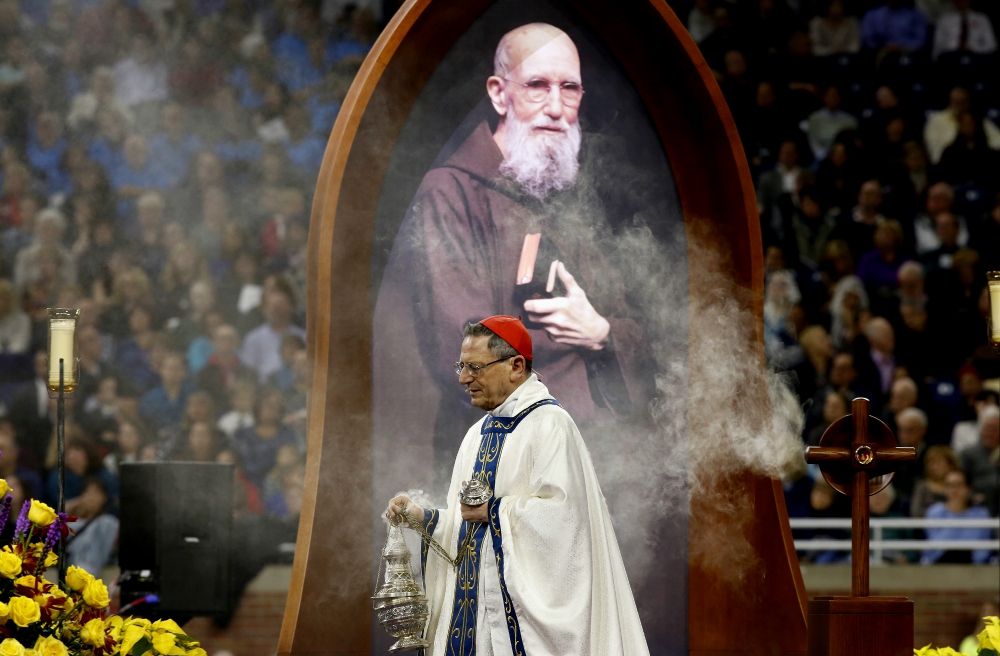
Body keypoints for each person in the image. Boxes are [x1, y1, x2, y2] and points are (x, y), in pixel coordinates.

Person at [374, 23, 658, 483]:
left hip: (598, 460)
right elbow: (464, 348)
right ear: (499, 94)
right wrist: (572, 339)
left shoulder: (567, 202)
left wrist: (601, 331)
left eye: (569, 89)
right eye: (537, 86)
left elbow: (631, 326)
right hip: (502, 465)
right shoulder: (450, 193)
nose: (555, 108)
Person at [385, 315, 648, 654]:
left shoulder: (551, 425)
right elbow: (466, 533)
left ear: (516, 366)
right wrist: (423, 518)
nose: (464, 379)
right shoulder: (475, 434)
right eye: (461, 367)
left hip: (515, 629)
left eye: (475, 368)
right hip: (476, 627)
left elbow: (566, 525)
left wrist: (494, 511)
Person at [921, 470, 993, 564]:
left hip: (972, 567)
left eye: (958, 485)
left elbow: (983, 550)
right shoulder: (934, 512)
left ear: (968, 488)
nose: (954, 490)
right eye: (949, 485)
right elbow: (935, 548)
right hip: (940, 565)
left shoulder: (981, 514)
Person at [960, 406, 999, 516]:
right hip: (976, 507)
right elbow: (961, 482)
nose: (990, 434)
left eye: (995, 429)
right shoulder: (968, 454)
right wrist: (971, 495)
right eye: (987, 428)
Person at [931, 0, 997, 62]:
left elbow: (991, 45)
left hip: (976, 55)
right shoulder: (944, 19)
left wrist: (974, 48)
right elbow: (937, 45)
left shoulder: (981, 19)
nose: (961, 2)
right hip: (950, 56)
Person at [910, 444, 960, 519]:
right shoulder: (922, 487)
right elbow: (916, 513)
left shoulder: (958, 485)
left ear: (951, 465)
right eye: (931, 463)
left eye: (938, 462)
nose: (934, 467)